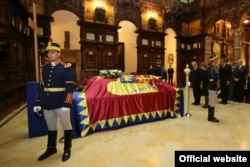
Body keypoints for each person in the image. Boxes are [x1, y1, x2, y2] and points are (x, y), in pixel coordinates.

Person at [33, 41, 75, 162]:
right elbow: (41, 87)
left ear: (58, 53)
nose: (49, 55)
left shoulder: (66, 67)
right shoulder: (44, 68)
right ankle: (51, 148)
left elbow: (70, 87)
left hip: (61, 103)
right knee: (51, 126)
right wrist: (38, 102)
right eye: (48, 53)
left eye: (52, 52)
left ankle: (67, 149)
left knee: (66, 126)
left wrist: (67, 103)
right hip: (47, 102)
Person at [207, 53, 219, 122]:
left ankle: (210, 116)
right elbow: (216, 78)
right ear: (213, 60)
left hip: (210, 86)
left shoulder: (209, 67)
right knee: (212, 102)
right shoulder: (215, 68)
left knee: (210, 102)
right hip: (213, 87)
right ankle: (211, 117)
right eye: (216, 59)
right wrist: (218, 86)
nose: (217, 60)